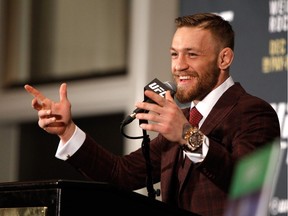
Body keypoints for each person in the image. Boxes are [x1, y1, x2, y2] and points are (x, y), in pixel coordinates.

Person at [24, 13, 280, 216]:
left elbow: (248, 183)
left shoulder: (252, 112)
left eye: (192, 54)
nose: (179, 65)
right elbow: (120, 173)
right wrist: (68, 131)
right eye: (174, 54)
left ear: (224, 59)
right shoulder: (181, 118)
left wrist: (186, 134)